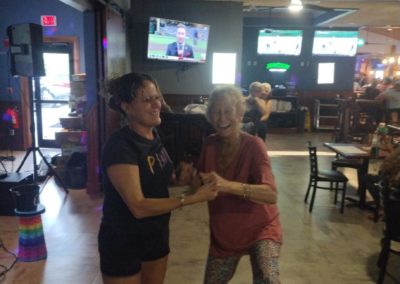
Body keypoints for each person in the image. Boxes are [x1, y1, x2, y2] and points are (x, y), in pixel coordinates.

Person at [98, 72, 218, 284]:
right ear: (127, 107)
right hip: (123, 241)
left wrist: (178, 178)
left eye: (157, 97)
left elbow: (157, 176)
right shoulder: (120, 146)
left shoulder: (153, 135)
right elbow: (139, 206)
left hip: (155, 236)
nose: (157, 105)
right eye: (147, 99)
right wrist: (191, 198)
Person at [195, 85, 282, 284]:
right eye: (216, 112)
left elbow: (271, 194)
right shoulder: (209, 144)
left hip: (261, 228)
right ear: (209, 116)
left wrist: (228, 185)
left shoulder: (254, 145)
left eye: (228, 111)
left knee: (268, 277)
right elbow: (199, 182)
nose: (222, 118)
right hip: (225, 234)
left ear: (240, 114)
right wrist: (187, 179)